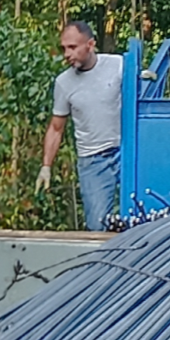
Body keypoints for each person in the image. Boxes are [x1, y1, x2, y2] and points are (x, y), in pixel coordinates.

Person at [37, 20, 122, 232]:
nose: (67, 54)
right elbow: (56, 128)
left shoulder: (118, 65)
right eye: (64, 48)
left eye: (72, 47)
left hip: (126, 152)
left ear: (90, 45)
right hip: (93, 161)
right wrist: (46, 167)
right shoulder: (64, 83)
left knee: (143, 213)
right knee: (97, 225)